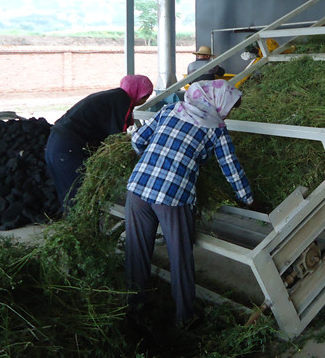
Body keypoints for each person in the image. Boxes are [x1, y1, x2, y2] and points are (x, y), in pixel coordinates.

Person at [124, 79, 254, 326]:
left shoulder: (170, 110)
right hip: (172, 196)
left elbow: (138, 138)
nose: (227, 113)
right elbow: (231, 169)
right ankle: (184, 317)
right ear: (216, 102)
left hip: (138, 187)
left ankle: (134, 309)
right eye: (228, 108)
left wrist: (153, 160)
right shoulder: (215, 129)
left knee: (136, 252)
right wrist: (248, 199)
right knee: (180, 257)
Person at [45, 74, 154, 212]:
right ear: (139, 93)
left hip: (56, 143)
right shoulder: (122, 102)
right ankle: (80, 223)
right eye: (145, 96)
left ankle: (74, 221)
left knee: (68, 194)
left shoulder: (113, 97)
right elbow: (116, 141)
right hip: (68, 148)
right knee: (78, 195)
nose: (144, 100)